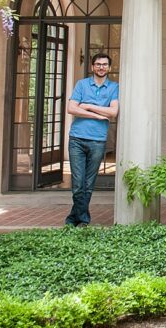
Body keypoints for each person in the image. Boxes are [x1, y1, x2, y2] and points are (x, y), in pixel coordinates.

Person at [65, 53, 119, 227]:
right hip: (77, 139)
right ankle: (82, 219)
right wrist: (97, 115)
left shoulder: (113, 87)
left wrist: (87, 106)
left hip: (97, 140)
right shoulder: (82, 84)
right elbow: (71, 108)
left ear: (109, 68)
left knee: (88, 183)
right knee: (78, 183)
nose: (101, 67)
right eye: (98, 64)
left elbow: (113, 112)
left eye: (104, 64)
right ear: (92, 67)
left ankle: (74, 218)